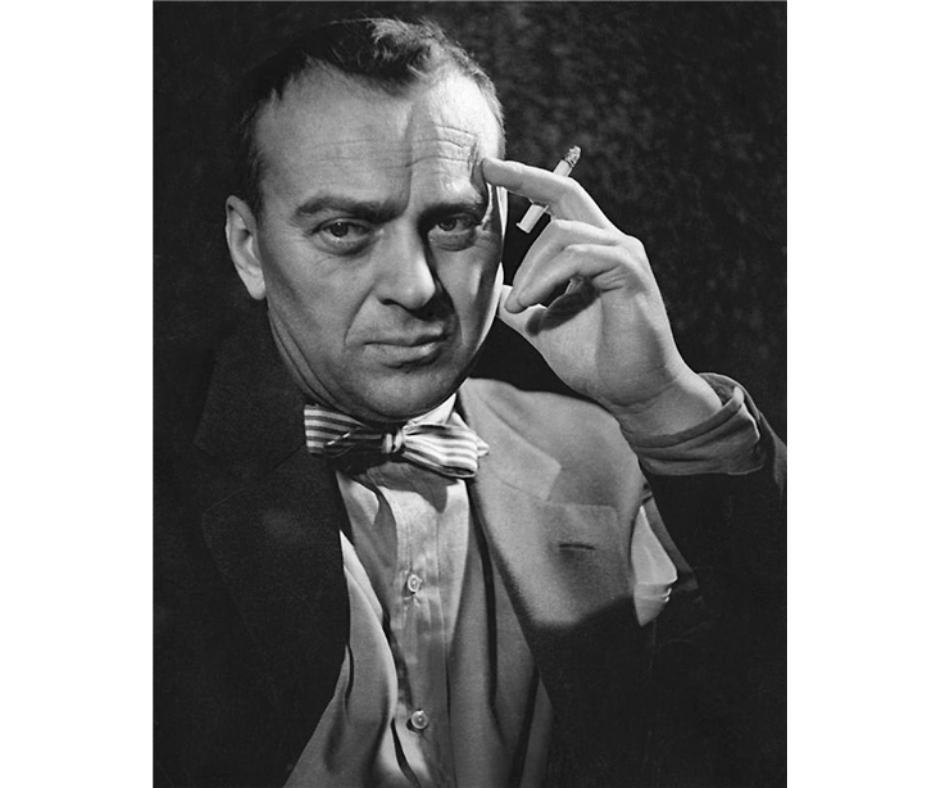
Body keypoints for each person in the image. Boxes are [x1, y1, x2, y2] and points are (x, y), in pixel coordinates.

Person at [153, 18, 787, 788]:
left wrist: (660, 398)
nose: (417, 286)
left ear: (508, 227)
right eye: (346, 229)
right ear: (250, 248)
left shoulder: (618, 457)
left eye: (453, 223)